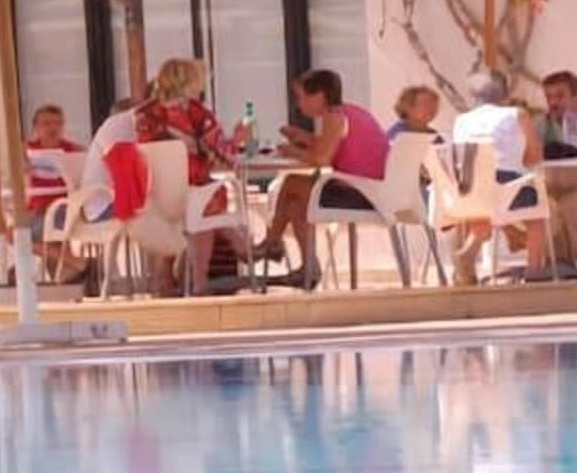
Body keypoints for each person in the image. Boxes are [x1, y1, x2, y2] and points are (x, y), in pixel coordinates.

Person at [254, 69, 389, 291]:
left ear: (319, 95)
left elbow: (321, 159)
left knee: (292, 183)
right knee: (296, 203)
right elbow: (332, 144)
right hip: (374, 189)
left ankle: (273, 242)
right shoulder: (351, 112)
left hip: (362, 193)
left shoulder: (333, 116)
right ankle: (307, 268)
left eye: (301, 97)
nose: (299, 105)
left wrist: (291, 151)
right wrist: (305, 137)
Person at [133, 59, 249, 296]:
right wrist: (238, 139)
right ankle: (204, 276)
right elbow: (223, 154)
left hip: (154, 196)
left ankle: (167, 278)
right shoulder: (196, 113)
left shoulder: (145, 114)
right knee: (207, 203)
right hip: (192, 194)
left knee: (200, 203)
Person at [451, 73, 552, 280]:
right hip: (505, 185)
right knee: (536, 214)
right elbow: (534, 156)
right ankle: (535, 271)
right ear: (506, 94)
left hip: (468, 190)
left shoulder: (461, 120)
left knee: (486, 208)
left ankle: (469, 250)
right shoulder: (517, 114)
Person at [24, 104, 90, 285]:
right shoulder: (26, 152)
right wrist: (23, 170)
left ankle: (66, 276)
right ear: (36, 128)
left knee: (44, 233)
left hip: (64, 206)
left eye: (57, 123)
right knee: (11, 233)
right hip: (36, 209)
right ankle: (75, 263)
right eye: (46, 124)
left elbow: (83, 182)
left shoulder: (74, 151)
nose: (52, 128)